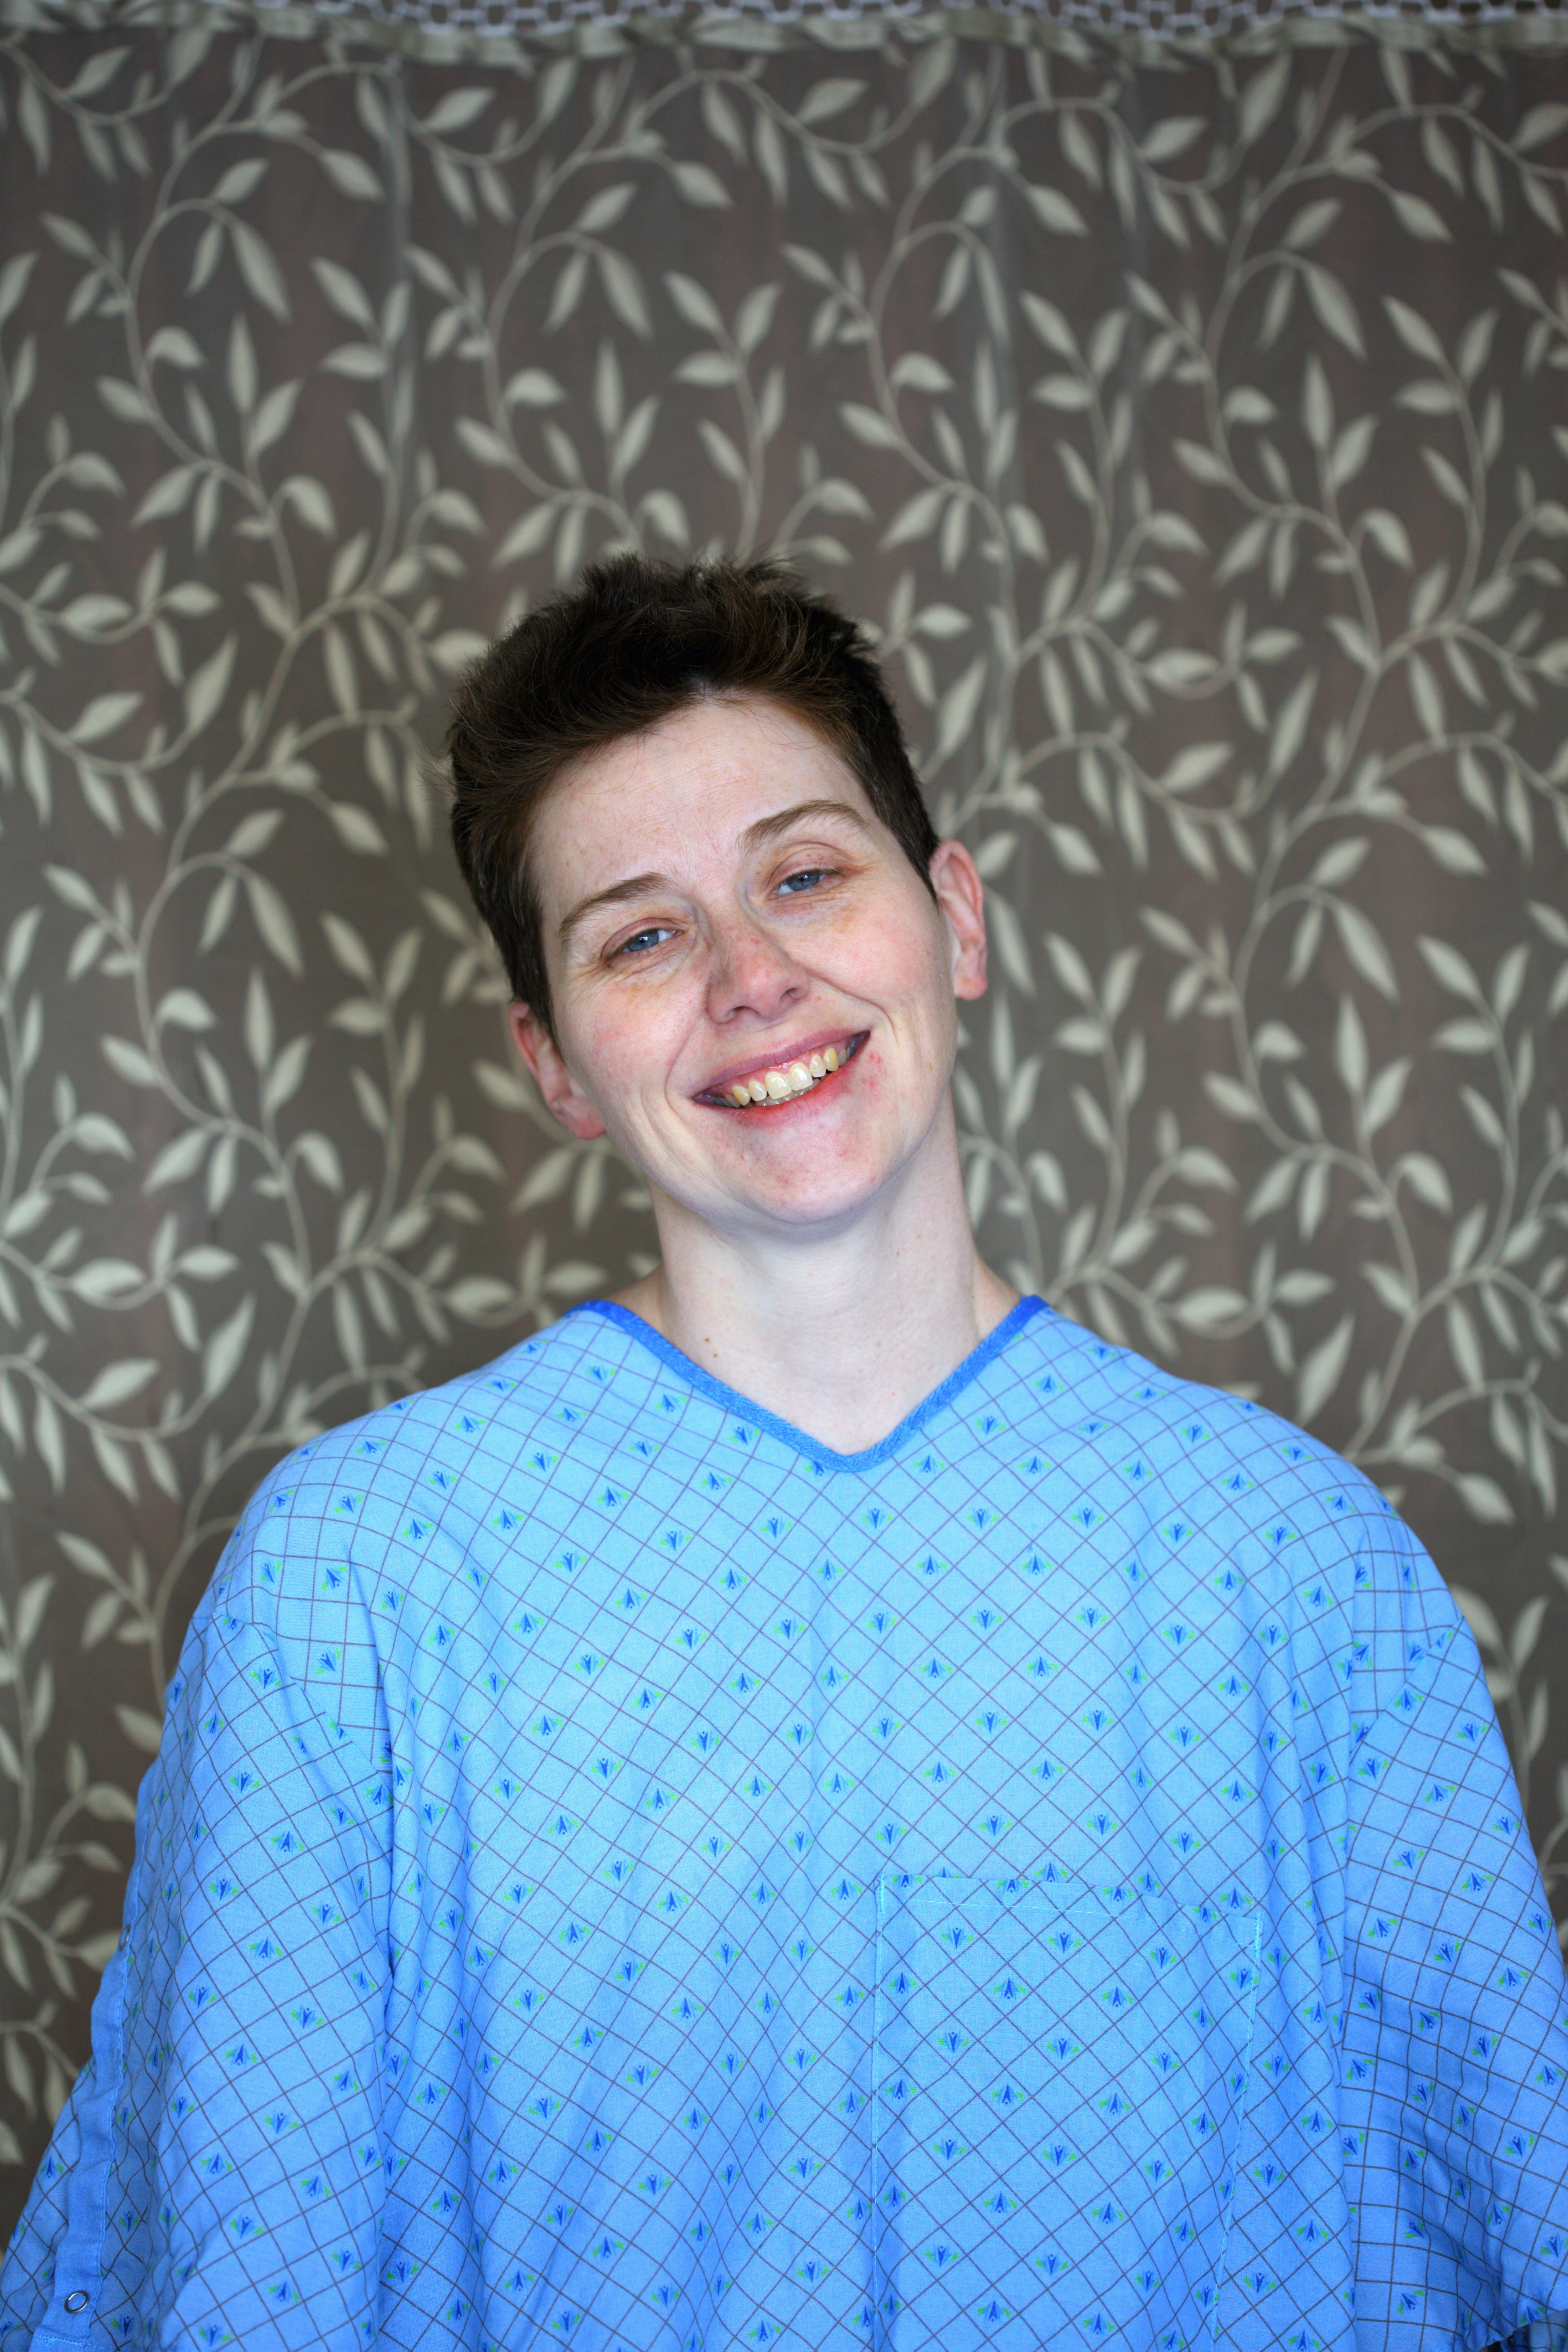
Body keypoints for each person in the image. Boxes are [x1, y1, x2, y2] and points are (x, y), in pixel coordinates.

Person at [4, 555, 1567, 2352]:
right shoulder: (351, 1589)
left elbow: (1505, 2263)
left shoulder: (1299, 1567)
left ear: (955, 920)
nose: (753, 980)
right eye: (641, 937)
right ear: (554, 1062)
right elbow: (228, 2293)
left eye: (806, 875)